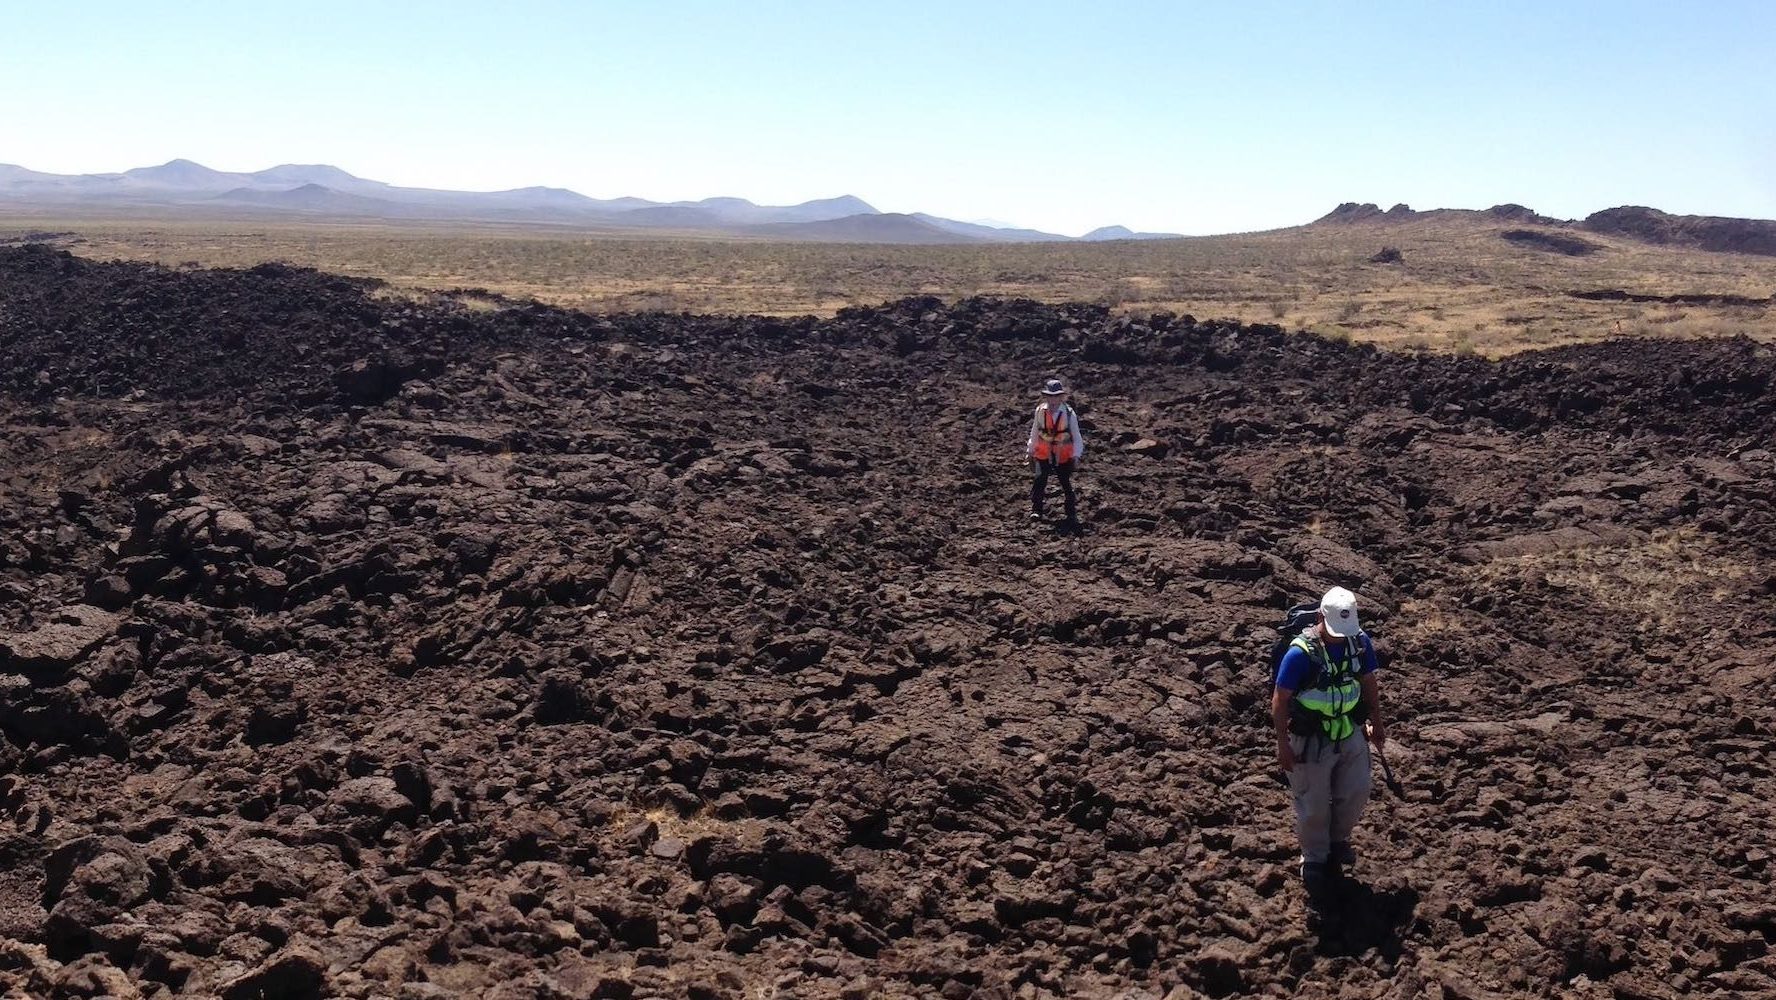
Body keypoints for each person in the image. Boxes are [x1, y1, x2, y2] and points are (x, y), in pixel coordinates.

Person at [1271, 586, 1386, 897]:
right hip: (1311, 738)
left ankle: (1338, 840)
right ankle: (1315, 859)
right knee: (1314, 802)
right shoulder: (1299, 653)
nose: (1340, 636)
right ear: (1321, 617)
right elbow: (1280, 699)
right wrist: (1282, 743)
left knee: (1357, 790)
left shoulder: (1359, 643)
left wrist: (1376, 722)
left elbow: (1368, 682)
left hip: (1349, 729)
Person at [1026, 378, 1085, 532]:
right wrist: (1030, 450)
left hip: (1062, 454)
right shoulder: (1040, 411)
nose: (1053, 400)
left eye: (1056, 396)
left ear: (1061, 397)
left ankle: (1071, 513)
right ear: (1046, 397)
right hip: (1043, 452)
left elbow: (1076, 435)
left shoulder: (1068, 413)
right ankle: (1036, 510)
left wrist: (1076, 455)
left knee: (1065, 483)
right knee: (1039, 480)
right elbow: (1035, 431)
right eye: (1050, 396)